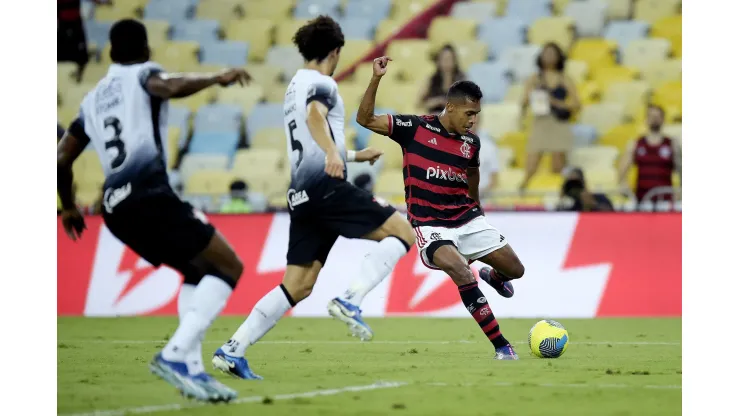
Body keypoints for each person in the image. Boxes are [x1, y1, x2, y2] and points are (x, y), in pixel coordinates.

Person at [57, 19, 251, 402]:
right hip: (149, 195)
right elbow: (170, 85)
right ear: (146, 51)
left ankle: (193, 371)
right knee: (230, 267)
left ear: (110, 52)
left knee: (196, 270)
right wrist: (217, 78)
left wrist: (67, 208)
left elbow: (61, 158)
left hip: (114, 208)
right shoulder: (144, 75)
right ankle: (175, 356)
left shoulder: (91, 99)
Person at [212, 16, 417, 379]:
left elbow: (308, 139)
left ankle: (233, 349)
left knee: (298, 284)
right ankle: (350, 299)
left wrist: (351, 155)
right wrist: (336, 155)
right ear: (335, 51)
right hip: (325, 188)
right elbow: (314, 118)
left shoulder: (294, 85)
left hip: (301, 194)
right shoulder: (323, 84)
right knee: (402, 232)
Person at [355, 56, 526, 360]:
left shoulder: (471, 144)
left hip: (466, 218)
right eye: (469, 113)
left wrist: (476, 207)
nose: (473, 120)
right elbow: (365, 120)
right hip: (430, 224)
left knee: (516, 270)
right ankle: (502, 346)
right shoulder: (414, 128)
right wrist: (375, 78)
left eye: (477, 114)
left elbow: (472, 174)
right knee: (462, 272)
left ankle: (496, 276)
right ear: (450, 107)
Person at [520, 42, 581, 191]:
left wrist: (555, 102)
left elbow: (576, 104)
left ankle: (560, 194)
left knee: (558, 166)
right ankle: (521, 192)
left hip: (559, 123)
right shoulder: (535, 78)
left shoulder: (564, 79)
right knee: (531, 165)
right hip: (541, 122)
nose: (549, 57)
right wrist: (533, 97)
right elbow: (524, 101)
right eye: (546, 53)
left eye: (552, 54)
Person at [618, 105, 681, 203]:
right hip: (642, 199)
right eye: (651, 116)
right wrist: (624, 186)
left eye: (657, 116)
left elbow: (681, 169)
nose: (654, 119)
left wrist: (680, 192)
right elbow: (623, 169)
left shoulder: (672, 144)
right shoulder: (636, 144)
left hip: (665, 200)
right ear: (646, 119)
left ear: (663, 119)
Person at [418, 44, 466, 114]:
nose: (446, 62)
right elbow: (419, 104)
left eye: (449, 58)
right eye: (444, 59)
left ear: (455, 61)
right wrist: (436, 101)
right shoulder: (431, 79)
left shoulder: (462, 79)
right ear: (438, 61)